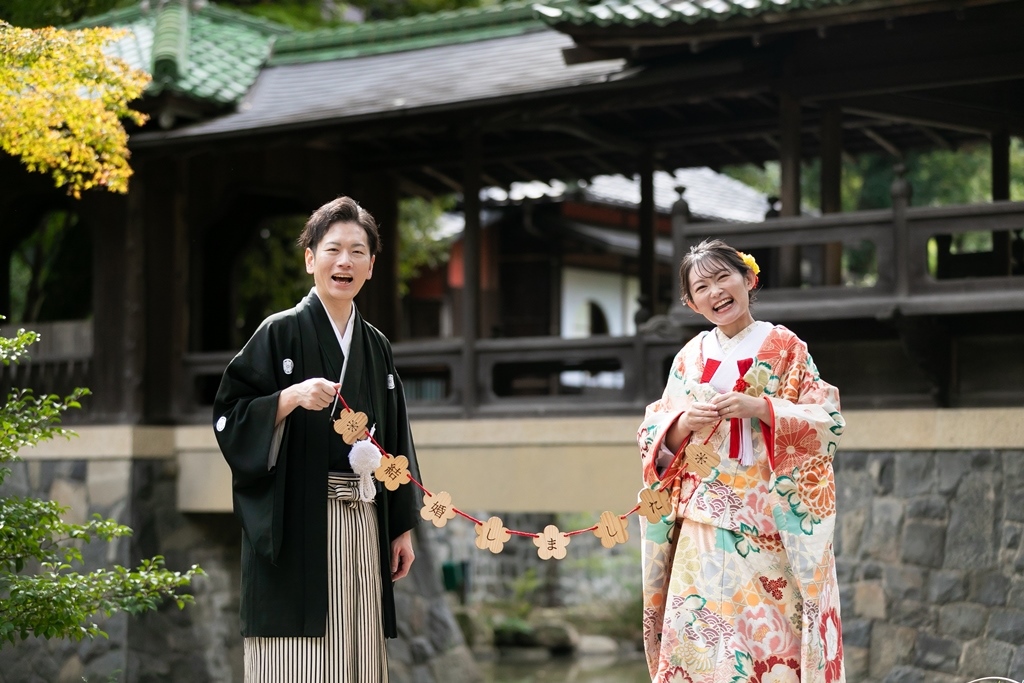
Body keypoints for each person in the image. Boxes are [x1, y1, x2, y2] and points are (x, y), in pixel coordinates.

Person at [213, 196, 420, 683]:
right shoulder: (279, 332)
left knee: (357, 654)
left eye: (357, 251)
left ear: (371, 266)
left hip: (363, 518)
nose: (344, 261)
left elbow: (395, 438)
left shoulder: (376, 346)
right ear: (310, 259)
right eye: (332, 249)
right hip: (298, 521)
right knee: (298, 661)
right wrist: (288, 398)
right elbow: (229, 414)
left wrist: (401, 526)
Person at [637, 239, 845, 683]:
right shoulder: (688, 358)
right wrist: (681, 423)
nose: (716, 292)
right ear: (691, 303)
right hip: (701, 517)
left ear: (748, 279)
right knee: (699, 636)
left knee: (767, 639)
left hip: (767, 517)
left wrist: (763, 409)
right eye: (702, 287)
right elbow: (654, 431)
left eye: (723, 278)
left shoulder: (785, 346)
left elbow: (826, 421)